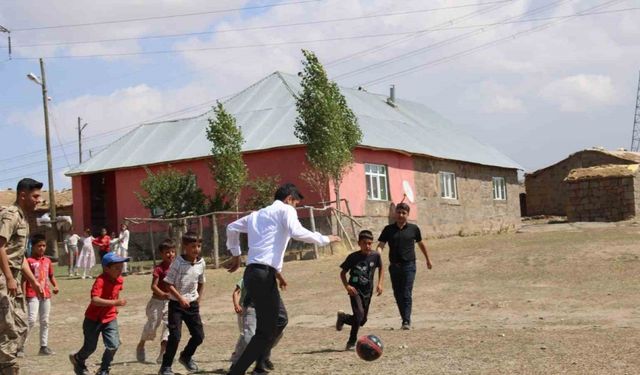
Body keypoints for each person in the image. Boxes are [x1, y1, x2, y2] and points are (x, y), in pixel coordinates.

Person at [226, 183, 341, 375]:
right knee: (265, 330)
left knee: (279, 319)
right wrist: (325, 239)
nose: (295, 208)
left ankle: (259, 363)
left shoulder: (257, 215)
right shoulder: (285, 209)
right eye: (296, 203)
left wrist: (236, 254)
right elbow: (297, 232)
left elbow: (231, 227)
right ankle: (240, 371)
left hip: (253, 273)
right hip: (263, 275)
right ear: (289, 199)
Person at [0, 178, 45, 374]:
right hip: (4, 278)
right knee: (8, 327)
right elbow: (0, 245)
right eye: (35, 196)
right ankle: (7, 367)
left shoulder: (23, 217)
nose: (39, 200)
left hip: (14, 279)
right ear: (23, 195)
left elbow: (20, 256)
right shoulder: (11, 215)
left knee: (21, 325)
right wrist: (9, 277)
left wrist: (34, 282)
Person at [69, 252, 129, 375]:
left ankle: (104, 369)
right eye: (116, 268)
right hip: (93, 319)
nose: (120, 270)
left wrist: (114, 306)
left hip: (110, 317)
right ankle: (78, 360)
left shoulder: (119, 280)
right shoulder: (100, 281)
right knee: (90, 347)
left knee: (113, 345)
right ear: (106, 269)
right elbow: (95, 300)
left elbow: (115, 293)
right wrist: (115, 302)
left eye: (121, 267)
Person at [377, 202, 433, 330]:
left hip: (409, 266)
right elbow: (381, 245)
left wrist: (428, 260)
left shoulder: (414, 229)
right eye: (398, 212)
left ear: (408, 214)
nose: (401, 215)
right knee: (398, 293)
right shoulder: (388, 229)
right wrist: (377, 255)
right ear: (395, 213)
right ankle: (404, 318)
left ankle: (406, 321)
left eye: (403, 213)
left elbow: (421, 244)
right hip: (394, 267)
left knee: (406, 293)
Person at [158, 232, 206, 375]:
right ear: (185, 247)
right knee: (175, 337)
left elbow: (202, 282)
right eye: (193, 246)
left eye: (198, 246)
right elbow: (168, 284)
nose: (196, 249)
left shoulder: (201, 262)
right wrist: (180, 298)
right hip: (176, 305)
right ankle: (166, 367)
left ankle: (186, 356)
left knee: (199, 336)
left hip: (192, 305)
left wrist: (198, 299)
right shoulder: (178, 262)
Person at [336, 230, 383, 350]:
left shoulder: (375, 256)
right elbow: (342, 273)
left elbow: (381, 268)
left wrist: (380, 283)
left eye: (369, 243)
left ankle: (343, 318)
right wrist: (347, 286)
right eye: (364, 243)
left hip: (368, 291)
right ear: (359, 243)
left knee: (362, 320)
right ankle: (351, 341)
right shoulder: (353, 257)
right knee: (359, 315)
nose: (367, 246)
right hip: (355, 290)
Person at [230, 273, 288, 372]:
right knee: (248, 337)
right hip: (249, 309)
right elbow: (236, 292)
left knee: (276, 334)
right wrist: (236, 305)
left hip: (266, 309)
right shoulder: (247, 277)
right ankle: (236, 363)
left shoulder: (270, 276)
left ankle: (264, 357)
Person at [19, 234, 59, 357]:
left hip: (45, 294)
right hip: (32, 294)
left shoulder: (47, 261)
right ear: (33, 247)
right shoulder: (29, 262)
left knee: (45, 321)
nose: (41, 248)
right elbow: (24, 280)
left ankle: (43, 346)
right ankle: (20, 347)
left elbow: (51, 275)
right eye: (39, 246)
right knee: (31, 320)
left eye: (43, 245)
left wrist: (55, 286)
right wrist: (23, 294)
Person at [136, 239, 176, 364]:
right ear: (161, 254)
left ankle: (163, 353)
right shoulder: (159, 269)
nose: (170, 254)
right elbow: (153, 286)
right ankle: (141, 345)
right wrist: (163, 294)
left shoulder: (176, 267)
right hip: (157, 302)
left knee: (169, 326)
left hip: (170, 303)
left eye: (172, 251)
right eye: (167, 252)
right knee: (152, 325)